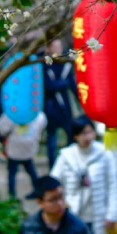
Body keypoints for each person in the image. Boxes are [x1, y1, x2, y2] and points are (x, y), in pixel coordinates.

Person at [51, 115, 117, 234]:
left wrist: (112, 214)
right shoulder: (66, 156)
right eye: (83, 133)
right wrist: (62, 206)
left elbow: (113, 185)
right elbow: (54, 182)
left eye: (89, 132)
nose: (87, 137)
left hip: (99, 214)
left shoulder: (104, 154)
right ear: (75, 136)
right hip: (76, 215)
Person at [43, 39, 78, 168]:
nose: (58, 49)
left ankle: (69, 163)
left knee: (70, 135)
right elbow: (49, 86)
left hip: (65, 107)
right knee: (51, 139)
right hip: (51, 107)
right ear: (49, 49)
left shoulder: (66, 64)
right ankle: (53, 166)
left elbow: (73, 85)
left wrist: (82, 102)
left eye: (60, 46)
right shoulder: (45, 64)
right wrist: (63, 84)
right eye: (55, 46)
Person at [0, 110, 47, 199]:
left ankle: (12, 195)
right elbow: (42, 124)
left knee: (12, 173)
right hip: (29, 147)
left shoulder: (12, 113)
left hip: (14, 147)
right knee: (30, 169)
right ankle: (37, 190)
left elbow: (2, 129)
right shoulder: (37, 114)